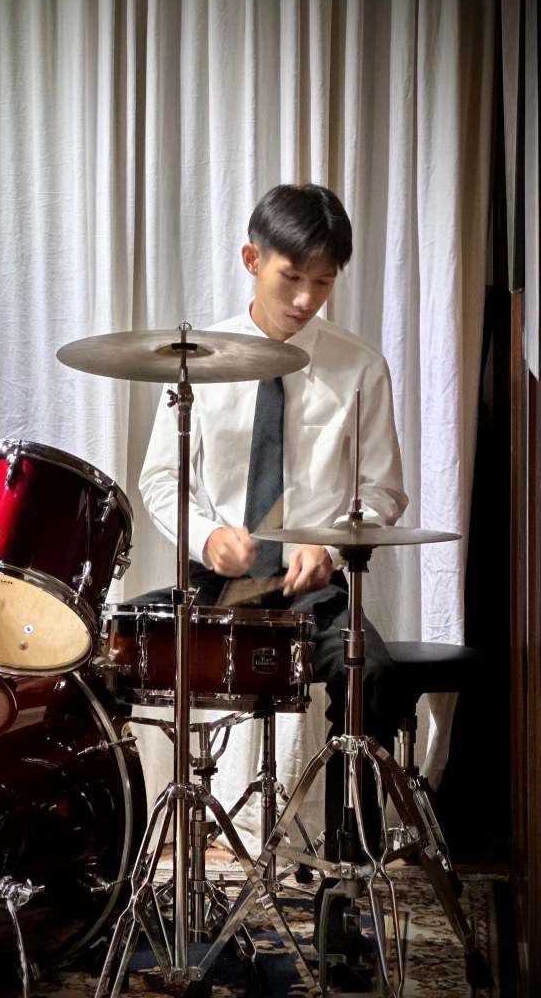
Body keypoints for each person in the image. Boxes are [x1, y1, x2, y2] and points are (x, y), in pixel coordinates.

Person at [136, 183, 409, 867]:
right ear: (252, 259)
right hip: (214, 584)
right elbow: (161, 480)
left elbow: (382, 490)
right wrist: (208, 536)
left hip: (308, 589)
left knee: (372, 674)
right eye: (292, 277)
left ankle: (350, 857)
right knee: (96, 653)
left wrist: (330, 542)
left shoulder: (359, 367)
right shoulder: (196, 361)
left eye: (324, 282)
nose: (306, 299)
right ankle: (108, 854)